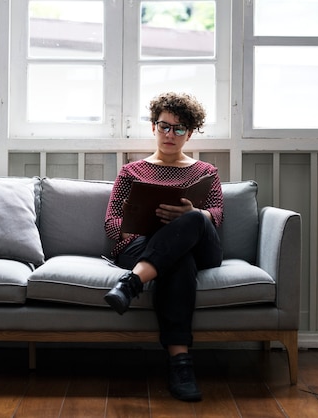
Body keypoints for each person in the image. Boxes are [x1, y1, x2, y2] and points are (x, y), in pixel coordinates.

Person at [103, 92, 224, 402]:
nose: (171, 134)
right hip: (142, 246)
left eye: (179, 128)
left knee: (196, 220)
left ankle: (131, 283)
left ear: (190, 133)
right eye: (165, 126)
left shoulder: (206, 172)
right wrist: (147, 237)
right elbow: (112, 222)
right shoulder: (131, 172)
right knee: (177, 260)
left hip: (200, 246)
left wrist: (192, 216)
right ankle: (180, 364)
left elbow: (217, 217)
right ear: (153, 127)